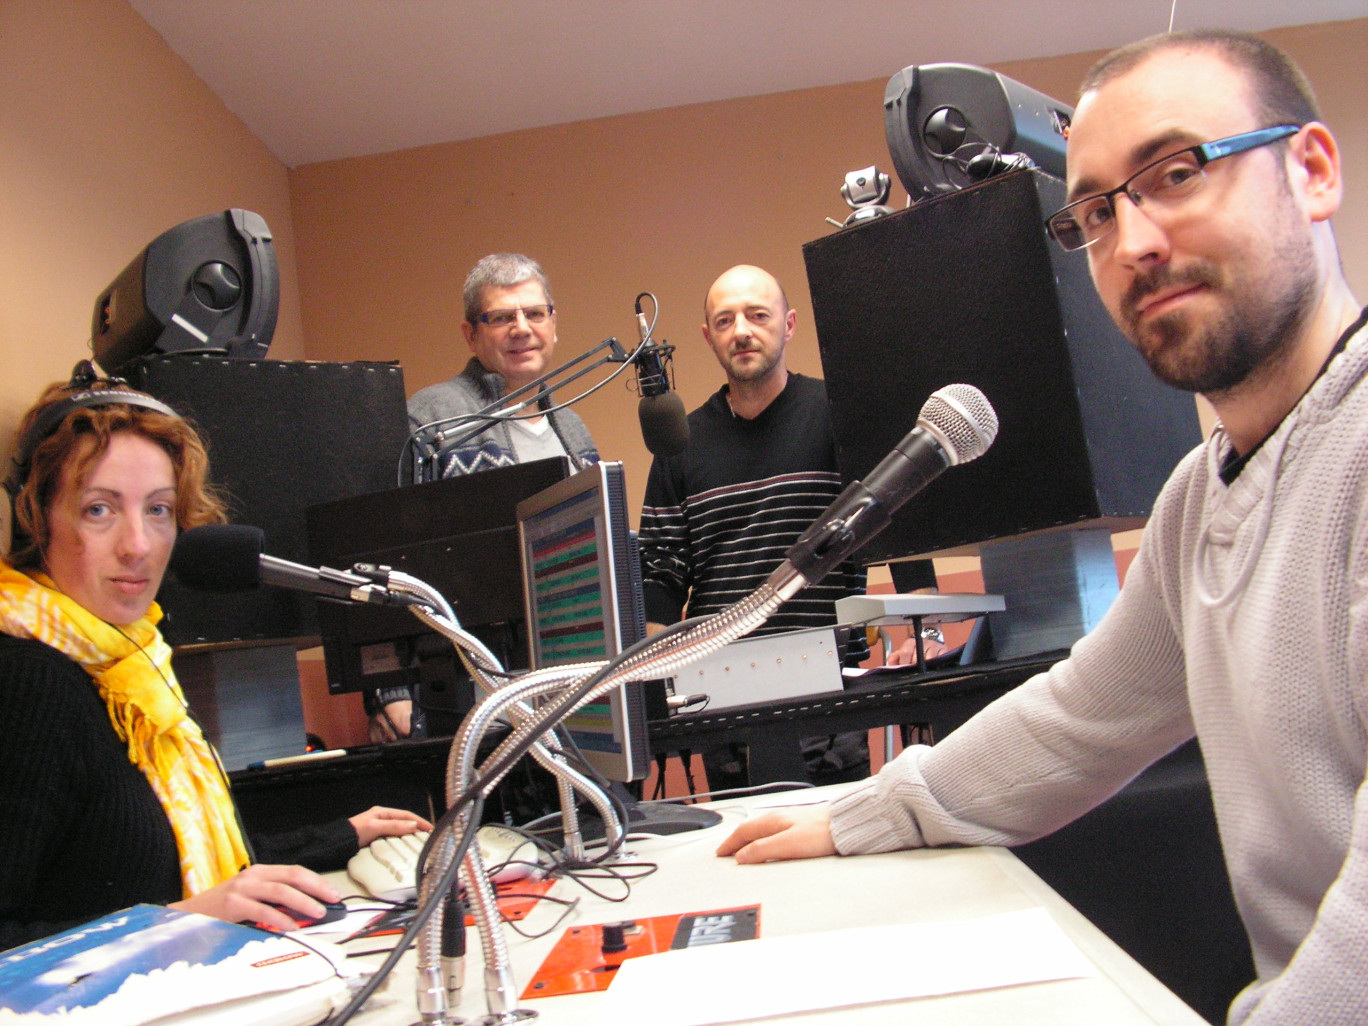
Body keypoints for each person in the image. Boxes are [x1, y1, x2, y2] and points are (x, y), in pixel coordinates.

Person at [717, 30, 1365, 1025]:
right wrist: (859, 817)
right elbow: (1078, 720)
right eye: (1098, 211)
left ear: (1313, 171)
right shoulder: (1202, 496)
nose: (1136, 243)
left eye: (1179, 172)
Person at [0, 364, 430, 950]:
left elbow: (178, 865)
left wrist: (341, 835)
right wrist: (175, 926)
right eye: (99, 509)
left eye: (157, 510)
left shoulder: (134, 665)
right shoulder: (27, 680)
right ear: (34, 518)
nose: (138, 545)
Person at [638, 264, 869, 788]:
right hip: (722, 706)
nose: (741, 330)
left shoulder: (836, 414)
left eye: (757, 315)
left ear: (788, 325)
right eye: (725, 320)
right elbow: (660, 574)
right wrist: (650, 688)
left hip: (832, 699)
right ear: (708, 338)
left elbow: (889, 514)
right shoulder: (679, 444)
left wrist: (922, 623)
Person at [376, 253, 601, 741]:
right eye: (501, 317)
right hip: (470, 691)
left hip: (571, 680)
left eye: (534, 313)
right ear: (470, 334)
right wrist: (392, 692)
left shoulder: (573, 428)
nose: (521, 328)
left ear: (553, 324)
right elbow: (390, 555)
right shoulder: (433, 420)